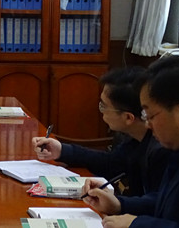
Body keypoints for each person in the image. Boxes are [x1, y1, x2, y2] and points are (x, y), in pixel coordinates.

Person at [82, 55, 179, 227]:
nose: (148, 124)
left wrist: (135, 224)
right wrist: (120, 205)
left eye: (150, 116)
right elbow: (167, 201)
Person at [32, 67, 169, 196]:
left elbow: (154, 203)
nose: (101, 111)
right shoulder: (132, 137)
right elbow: (110, 164)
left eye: (104, 106)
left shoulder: (160, 150)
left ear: (128, 117)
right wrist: (62, 151)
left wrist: (118, 204)